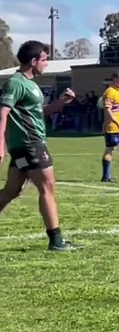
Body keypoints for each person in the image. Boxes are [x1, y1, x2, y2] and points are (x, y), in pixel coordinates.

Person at [0, 41, 77, 251]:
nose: (46, 64)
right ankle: (56, 241)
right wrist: (0, 144)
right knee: (47, 188)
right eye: (44, 60)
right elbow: (3, 112)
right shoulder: (16, 83)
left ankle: (56, 240)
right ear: (33, 61)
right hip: (30, 144)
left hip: (24, 149)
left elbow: (37, 112)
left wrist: (61, 103)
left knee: (10, 191)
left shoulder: (31, 84)